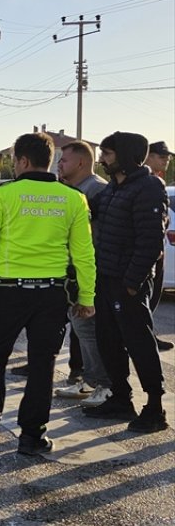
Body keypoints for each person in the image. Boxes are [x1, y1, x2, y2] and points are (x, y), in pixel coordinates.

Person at [0, 132, 95, 456]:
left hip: (9, 294)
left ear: (21, 161)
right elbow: (84, 253)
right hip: (51, 296)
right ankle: (32, 436)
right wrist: (87, 297)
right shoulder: (73, 198)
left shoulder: (6, 196)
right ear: (48, 160)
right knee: (42, 364)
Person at [83, 132, 169, 433]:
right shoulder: (112, 190)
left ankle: (155, 408)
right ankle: (121, 398)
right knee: (108, 342)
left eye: (108, 153)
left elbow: (150, 242)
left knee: (139, 343)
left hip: (128, 284)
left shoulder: (148, 187)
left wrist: (132, 283)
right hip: (105, 279)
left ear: (127, 155)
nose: (103, 159)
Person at [52, 141, 111, 404]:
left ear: (81, 163)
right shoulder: (73, 190)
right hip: (75, 274)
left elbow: (99, 238)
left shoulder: (97, 191)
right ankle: (88, 381)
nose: (59, 164)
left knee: (90, 331)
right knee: (81, 329)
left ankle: (105, 385)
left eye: (63, 160)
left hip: (92, 273)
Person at [145, 140, 172, 350]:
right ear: (148, 156)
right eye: (162, 157)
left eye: (168, 157)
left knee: (154, 296)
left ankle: (149, 334)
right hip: (145, 252)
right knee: (146, 297)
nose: (167, 161)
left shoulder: (157, 181)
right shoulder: (144, 183)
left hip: (158, 250)